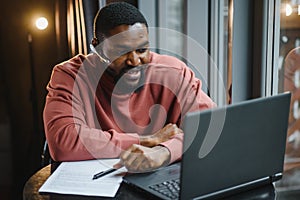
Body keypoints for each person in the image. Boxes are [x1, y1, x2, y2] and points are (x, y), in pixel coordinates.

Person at [43, 2, 216, 173]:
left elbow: (209, 127)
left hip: (159, 178)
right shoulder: (69, 75)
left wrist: (164, 151)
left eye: (142, 50)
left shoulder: (174, 72)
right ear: (97, 47)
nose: (134, 61)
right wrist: (147, 140)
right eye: (121, 52)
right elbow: (63, 141)